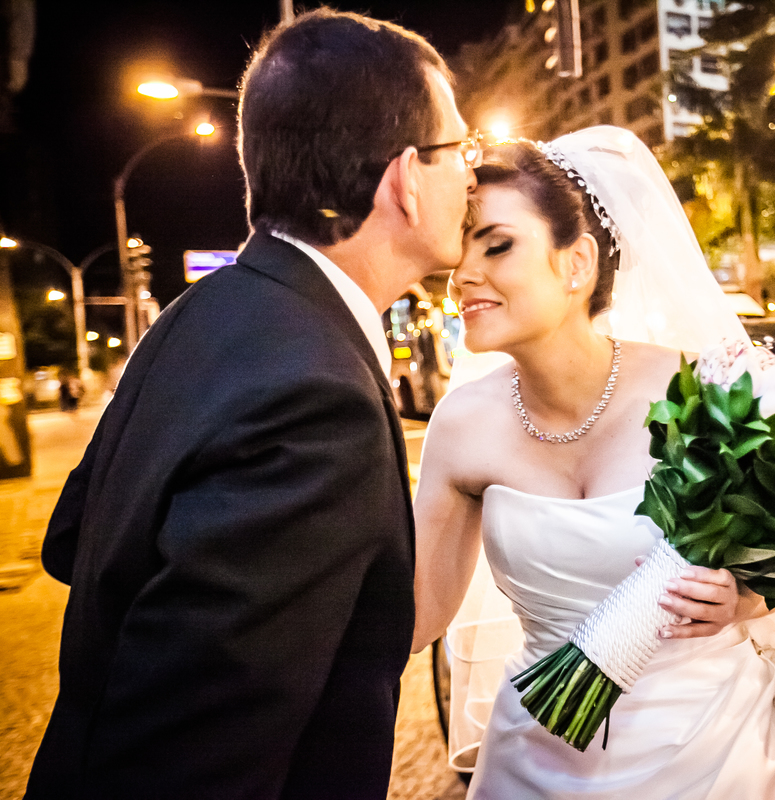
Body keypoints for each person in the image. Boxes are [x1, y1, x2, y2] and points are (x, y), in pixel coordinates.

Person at [25, 9, 477, 799]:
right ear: (405, 177)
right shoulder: (314, 401)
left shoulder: (199, 315)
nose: (472, 174)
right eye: (458, 150)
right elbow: (196, 756)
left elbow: (73, 539)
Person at [412, 127, 775, 798]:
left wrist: (744, 597)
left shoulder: (708, 389)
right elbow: (417, 617)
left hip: (718, 753)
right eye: (461, 252)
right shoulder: (461, 426)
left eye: (498, 246)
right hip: (537, 759)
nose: (465, 275)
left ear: (576, 265)